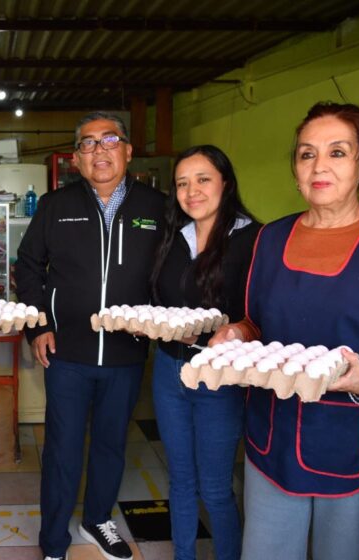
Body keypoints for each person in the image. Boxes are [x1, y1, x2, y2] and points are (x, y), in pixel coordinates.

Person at [211, 102, 359, 560]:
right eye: (306, 154)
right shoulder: (271, 237)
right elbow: (255, 321)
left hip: (353, 440)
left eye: (337, 152)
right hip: (271, 436)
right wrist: (237, 335)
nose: (319, 165)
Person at [15, 111, 166, 560]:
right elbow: (27, 267)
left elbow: (172, 274)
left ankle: (98, 521)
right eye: (88, 143)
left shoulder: (156, 208)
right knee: (61, 449)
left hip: (127, 353)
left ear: (127, 150)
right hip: (69, 353)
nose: (99, 150)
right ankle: (54, 541)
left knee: (111, 443)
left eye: (110, 140)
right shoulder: (56, 206)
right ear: (77, 158)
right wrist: (38, 325)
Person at [149, 145, 260, 560]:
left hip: (221, 378)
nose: (191, 191)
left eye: (202, 179)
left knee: (214, 487)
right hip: (169, 370)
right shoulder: (174, 237)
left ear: (226, 183)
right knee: (180, 481)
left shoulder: (251, 239)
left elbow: (262, 311)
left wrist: (238, 330)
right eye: (182, 183)